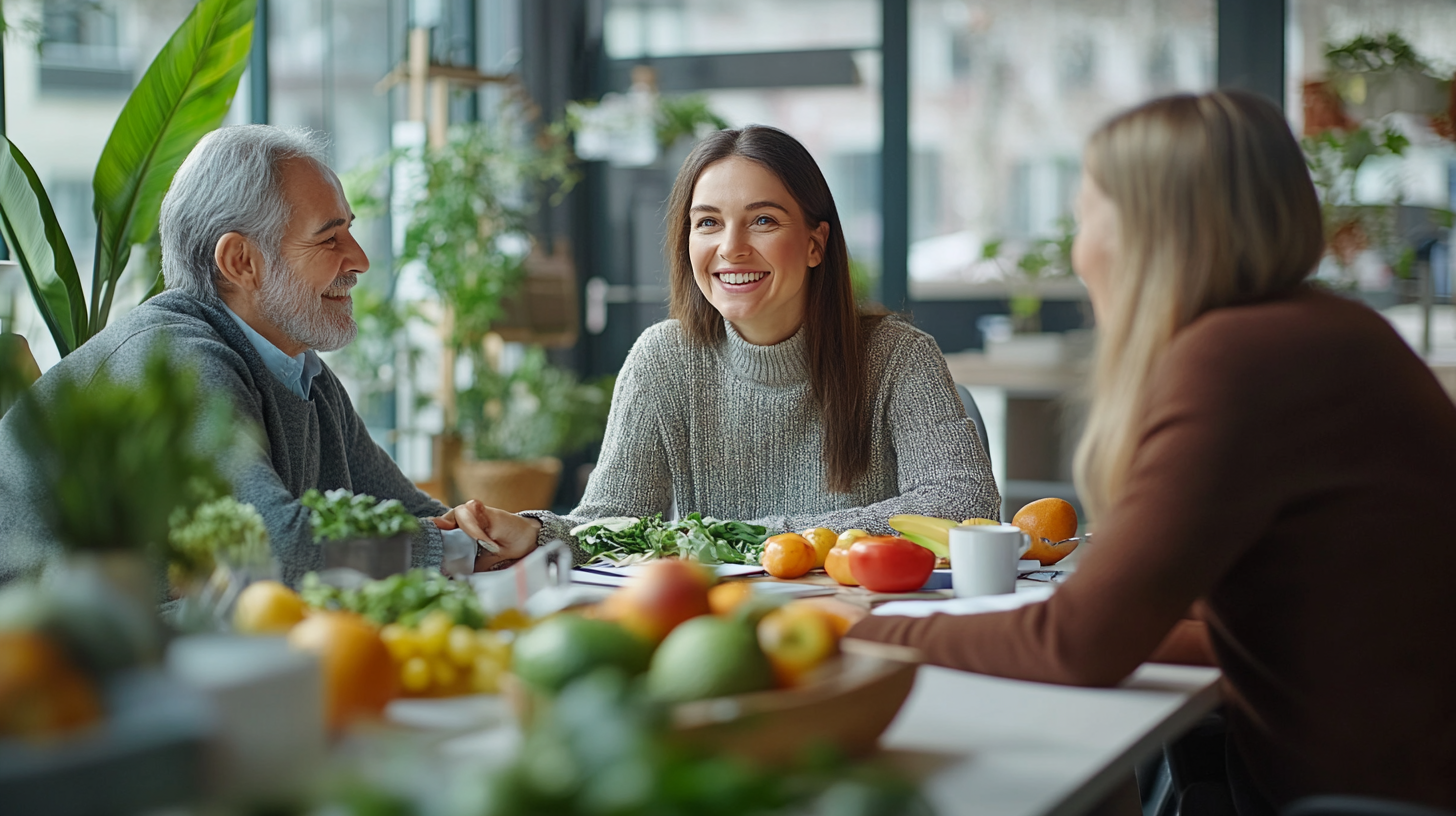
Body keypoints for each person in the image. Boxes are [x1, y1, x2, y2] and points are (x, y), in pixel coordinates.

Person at [839, 90, 1456, 811]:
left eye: (1086, 216)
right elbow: (1260, 625)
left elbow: (1076, 647)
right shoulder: (1334, 331)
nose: (1077, 250)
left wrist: (867, 628)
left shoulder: (1237, 360)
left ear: (1149, 230)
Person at [458, 125, 1000, 561]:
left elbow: (965, 504)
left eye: (763, 220)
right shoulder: (663, 359)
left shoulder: (898, 356)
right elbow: (609, 521)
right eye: (708, 223)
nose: (731, 248)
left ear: (815, 243)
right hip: (715, 630)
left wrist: (757, 537)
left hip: (864, 628)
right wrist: (536, 531)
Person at [0, 126, 507, 586]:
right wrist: (454, 546)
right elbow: (270, 550)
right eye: (329, 237)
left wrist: (493, 534)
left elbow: (416, 514)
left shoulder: (303, 373)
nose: (359, 259)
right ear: (241, 261)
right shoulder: (177, 361)